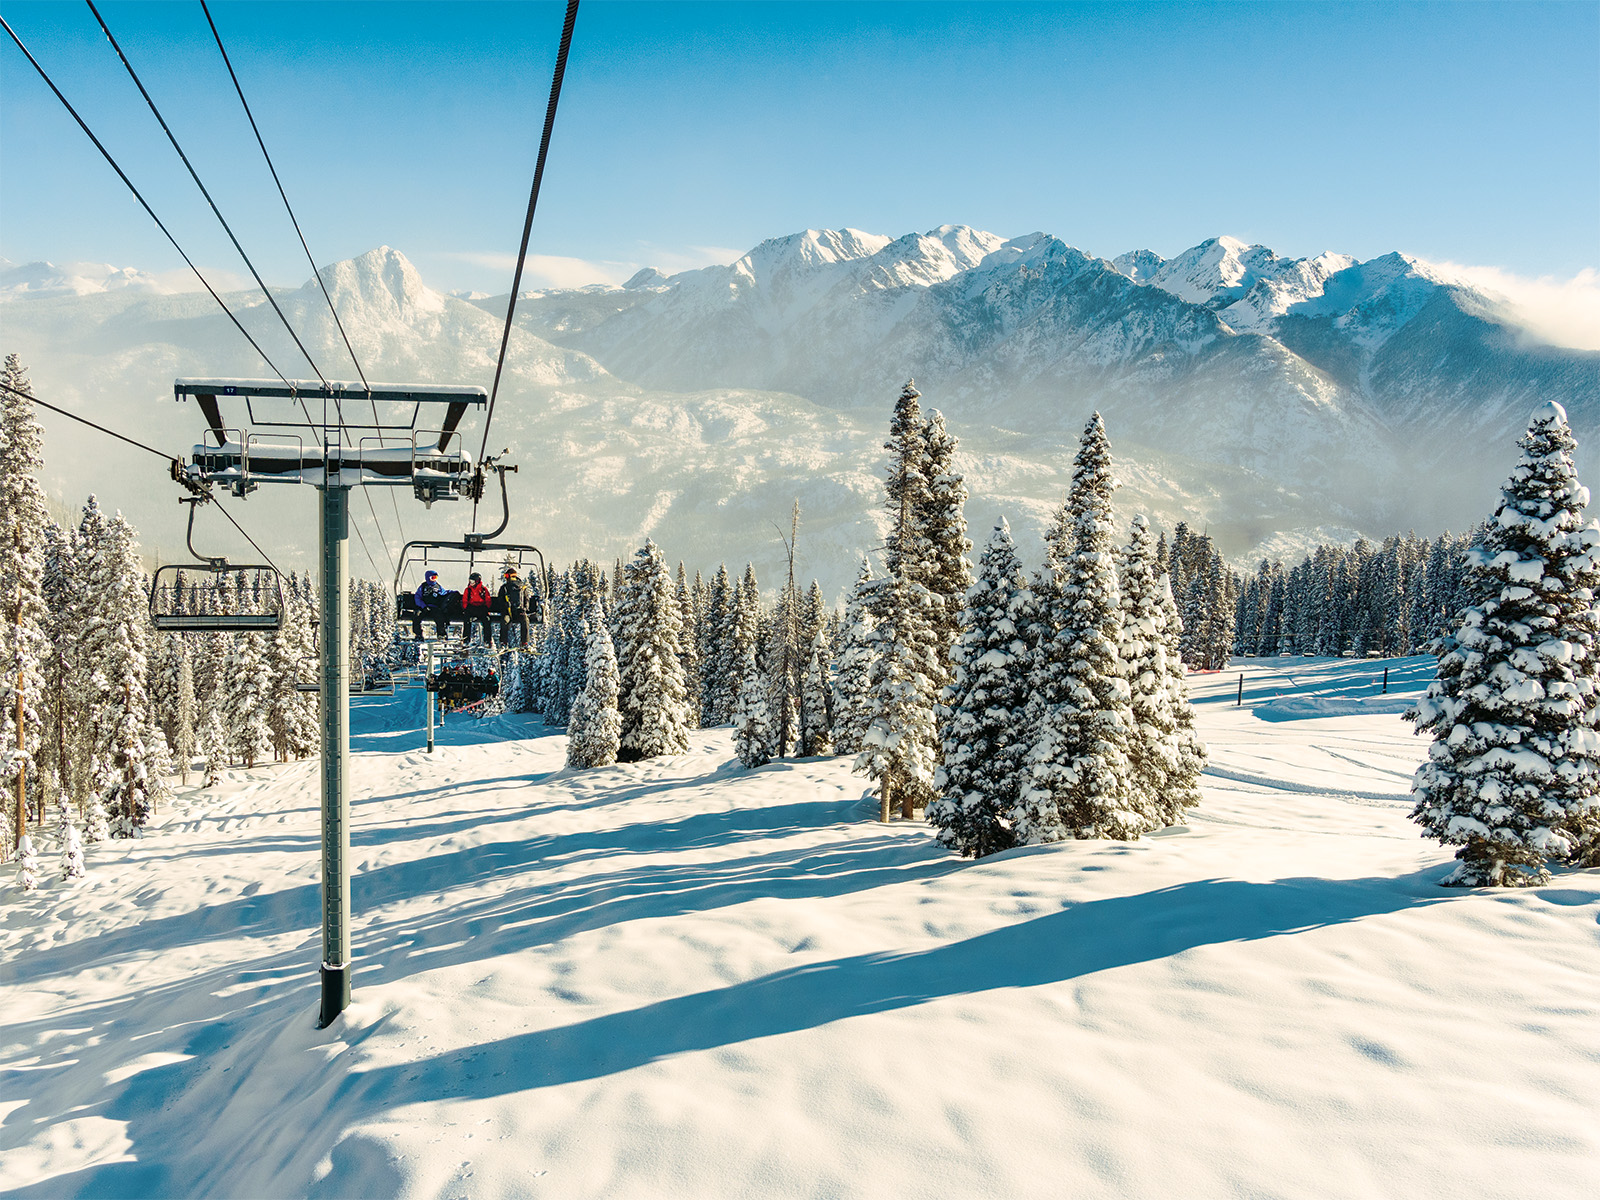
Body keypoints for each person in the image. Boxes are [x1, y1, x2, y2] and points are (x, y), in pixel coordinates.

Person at [412, 570, 453, 639]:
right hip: (424, 607)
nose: (434, 580)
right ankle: (418, 634)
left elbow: (444, 593)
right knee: (417, 616)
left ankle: (441, 634)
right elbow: (417, 597)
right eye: (432, 578)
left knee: (440, 618)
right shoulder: (423, 587)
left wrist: (452, 592)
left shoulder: (438, 586)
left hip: (434, 607)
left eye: (435, 578)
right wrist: (423, 606)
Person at [498, 567, 531, 647]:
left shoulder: (519, 588)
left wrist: (524, 609)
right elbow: (526, 599)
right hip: (512, 612)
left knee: (507, 621)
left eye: (506, 576)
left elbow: (525, 599)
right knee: (522, 620)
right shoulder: (506, 588)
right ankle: (522, 642)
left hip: (514, 612)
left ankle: (505, 642)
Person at [463, 571, 493, 645]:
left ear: (477, 581)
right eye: (470, 581)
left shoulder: (483, 590)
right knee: (467, 620)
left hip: (481, 608)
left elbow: (488, 600)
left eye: (472, 581)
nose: (471, 583)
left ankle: (487, 640)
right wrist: (465, 608)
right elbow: (465, 600)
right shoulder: (468, 590)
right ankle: (466, 640)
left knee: (486, 620)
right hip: (471, 608)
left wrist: (486, 608)